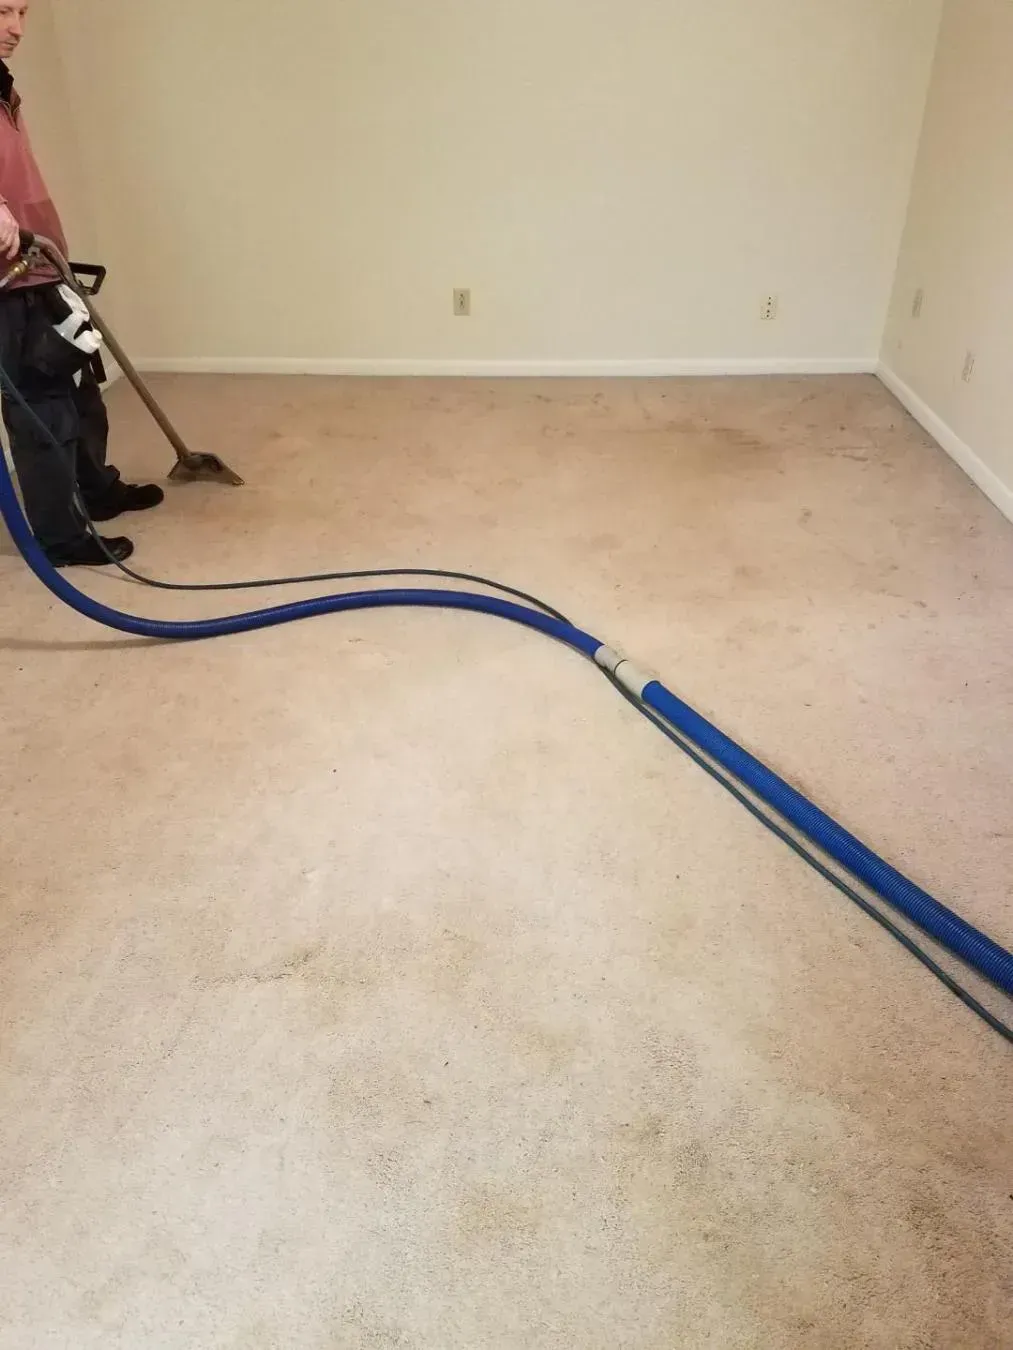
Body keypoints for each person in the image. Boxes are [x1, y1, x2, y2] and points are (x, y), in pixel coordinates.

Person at [0, 0, 162, 566]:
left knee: (80, 388)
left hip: (43, 264)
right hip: (9, 284)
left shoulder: (4, 87)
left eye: (23, 12)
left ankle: (96, 490)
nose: (17, 28)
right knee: (42, 409)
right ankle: (61, 537)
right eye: (3, 11)